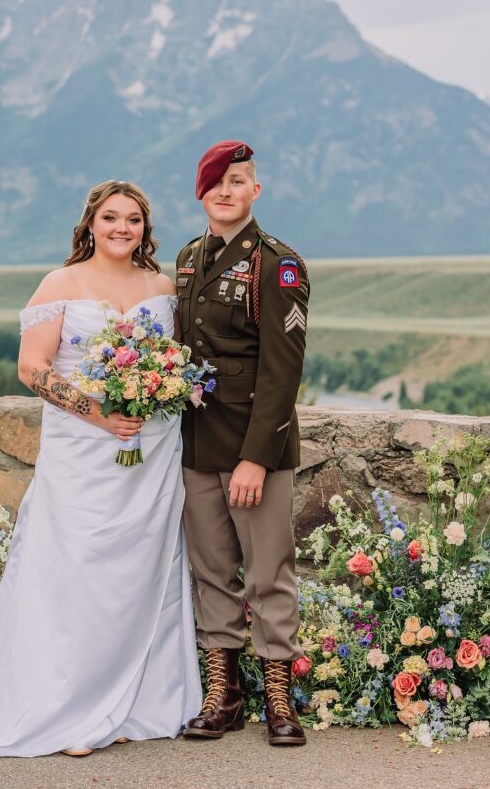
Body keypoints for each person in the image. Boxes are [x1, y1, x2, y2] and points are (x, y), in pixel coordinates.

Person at [0, 180, 202, 758]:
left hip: (151, 452)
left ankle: (138, 702)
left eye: (134, 220)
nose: (123, 228)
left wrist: (153, 396)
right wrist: (102, 415)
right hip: (83, 450)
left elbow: (171, 363)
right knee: (75, 572)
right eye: (111, 218)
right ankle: (69, 704)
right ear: (89, 224)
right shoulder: (60, 284)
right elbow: (32, 369)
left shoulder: (162, 287)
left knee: (140, 571)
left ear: (146, 228)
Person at [176, 141, 309, 747]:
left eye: (237, 181)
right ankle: (223, 696)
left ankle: (279, 702)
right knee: (211, 573)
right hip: (199, 445)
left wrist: (254, 458)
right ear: (200, 194)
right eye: (214, 183)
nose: (224, 191)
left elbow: (282, 372)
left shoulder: (277, 263)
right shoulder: (186, 260)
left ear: (256, 190)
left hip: (258, 448)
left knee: (268, 574)